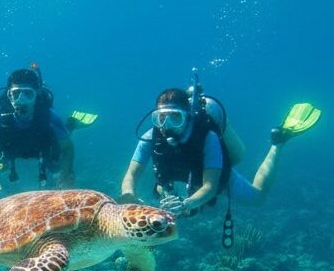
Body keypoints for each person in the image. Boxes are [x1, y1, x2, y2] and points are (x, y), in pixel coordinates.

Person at [120, 85, 321, 221]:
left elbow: (210, 185)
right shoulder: (150, 136)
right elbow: (131, 174)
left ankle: (279, 142)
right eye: (160, 118)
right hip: (181, 184)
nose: (166, 126)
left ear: (187, 117)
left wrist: (186, 203)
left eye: (175, 118)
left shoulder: (208, 137)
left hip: (212, 177)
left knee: (258, 199)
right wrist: (129, 195)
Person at [0, 66, 95, 199]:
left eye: (28, 94)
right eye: (16, 94)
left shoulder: (50, 117)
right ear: (9, 95)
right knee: (5, 161)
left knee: (58, 170)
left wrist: (66, 174)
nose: (21, 100)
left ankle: (71, 124)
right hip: (11, 150)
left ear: (36, 94)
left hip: (43, 148)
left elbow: (67, 147)